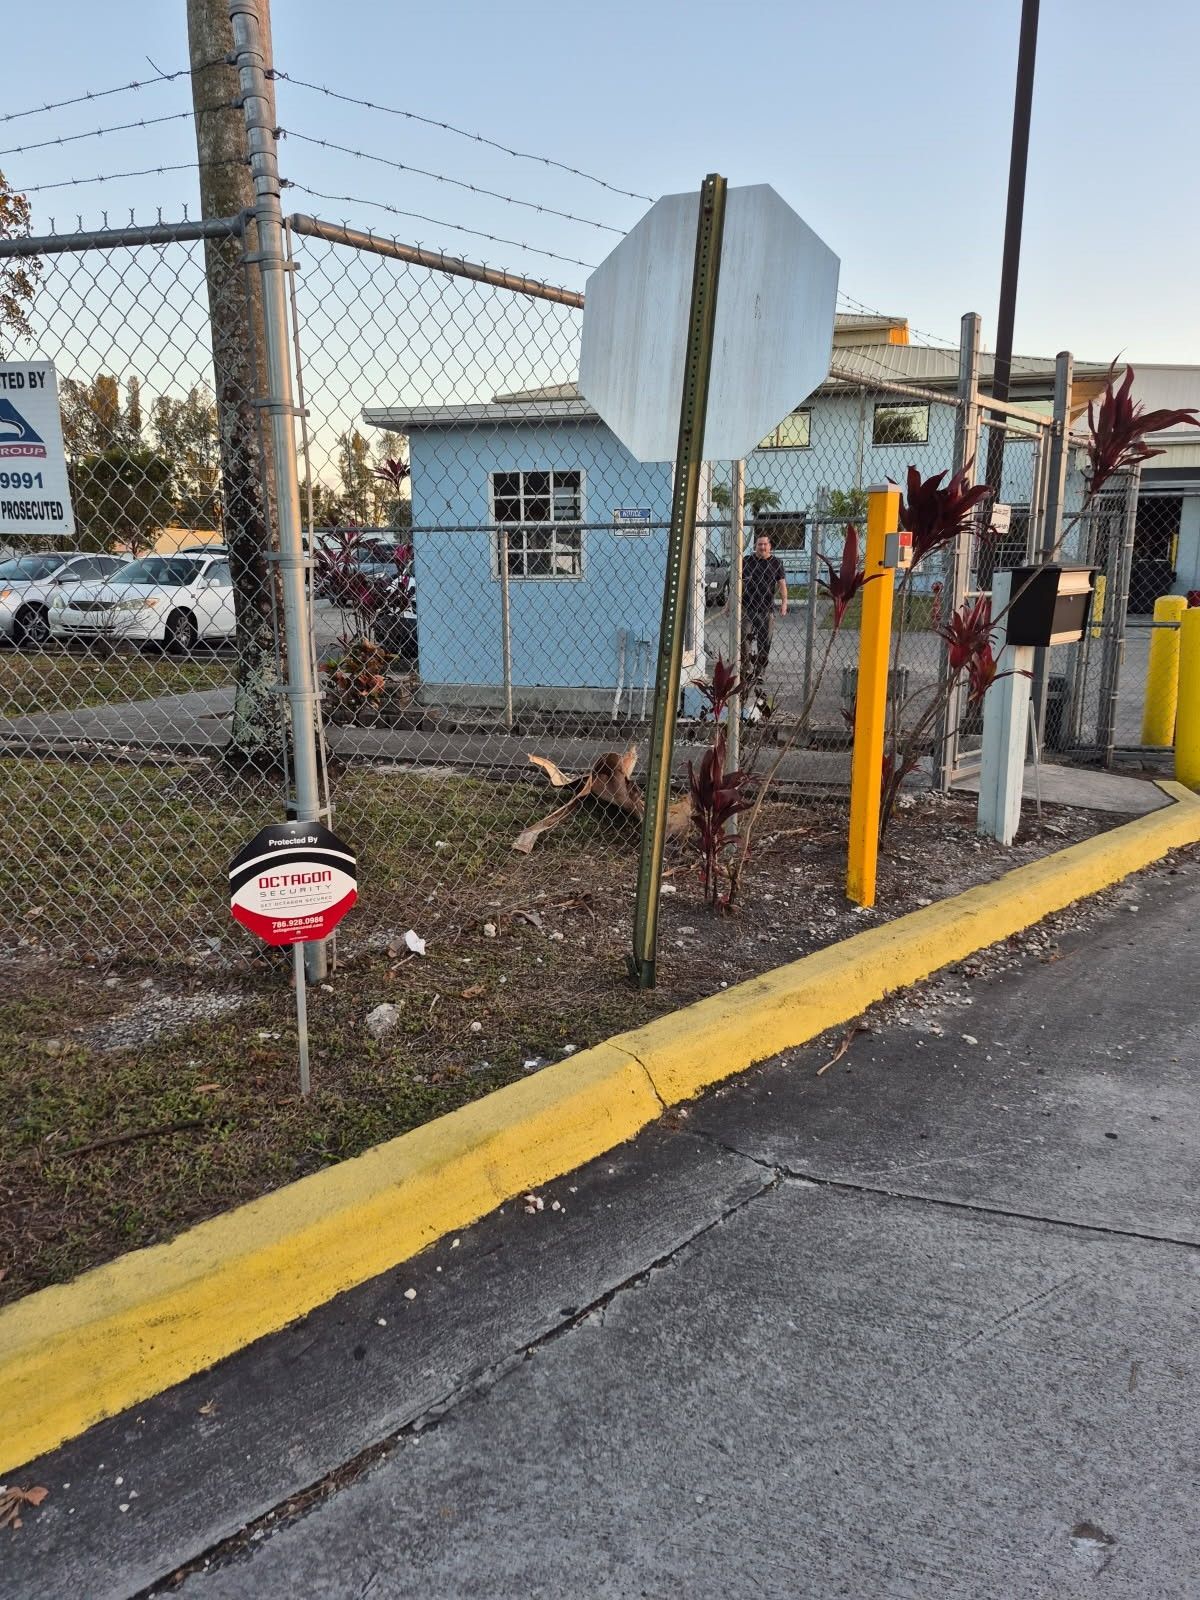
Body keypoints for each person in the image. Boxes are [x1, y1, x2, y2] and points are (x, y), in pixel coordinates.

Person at [740, 532, 788, 684]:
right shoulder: (747, 561)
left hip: (766, 609)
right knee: (743, 639)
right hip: (747, 608)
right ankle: (746, 668)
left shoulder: (776, 563)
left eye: (764, 544)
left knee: (764, 642)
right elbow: (738, 583)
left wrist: (784, 603)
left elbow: (782, 585)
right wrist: (729, 604)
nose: (762, 547)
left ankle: (759, 672)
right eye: (759, 544)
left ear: (770, 546)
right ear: (755, 546)